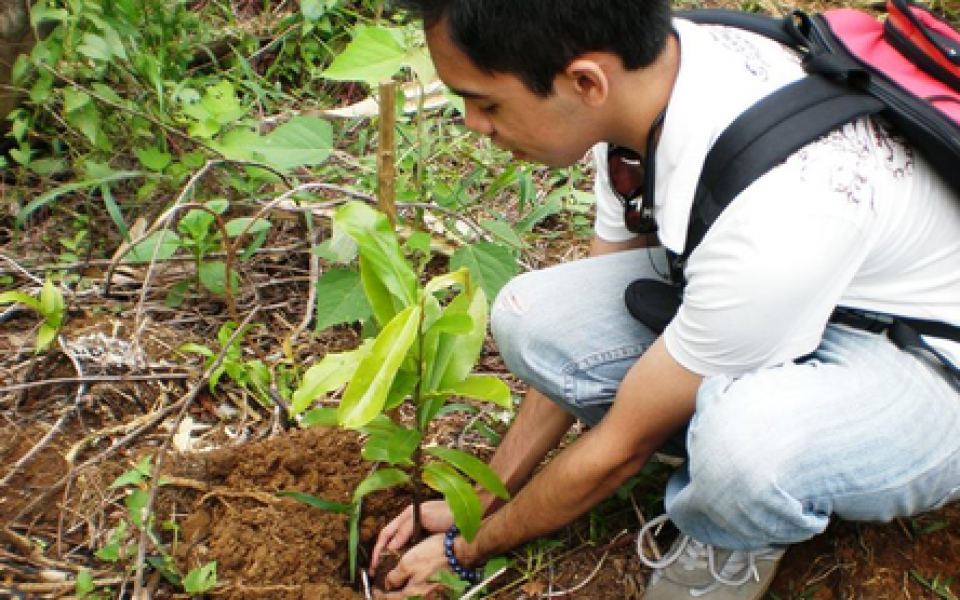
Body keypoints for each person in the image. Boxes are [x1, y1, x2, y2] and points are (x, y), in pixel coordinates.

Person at [369, 0, 960, 598]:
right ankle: (730, 416)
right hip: (795, 295)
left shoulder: (784, 210)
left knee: (745, 453)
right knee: (542, 320)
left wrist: (465, 547)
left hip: (919, 362)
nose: (473, 123)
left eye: (487, 102)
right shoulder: (645, 84)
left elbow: (623, 448)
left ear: (584, 82)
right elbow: (596, 320)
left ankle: (733, 528)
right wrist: (482, 499)